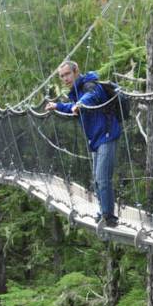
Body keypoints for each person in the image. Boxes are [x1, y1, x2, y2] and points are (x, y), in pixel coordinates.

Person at [45, 59, 121, 226]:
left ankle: (109, 217)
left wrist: (80, 104)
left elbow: (91, 97)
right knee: (96, 179)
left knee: (102, 178)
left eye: (67, 74)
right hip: (95, 139)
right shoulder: (77, 91)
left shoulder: (90, 85)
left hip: (107, 135)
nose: (65, 79)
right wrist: (57, 106)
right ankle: (103, 212)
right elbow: (73, 107)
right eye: (62, 76)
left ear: (76, 71)